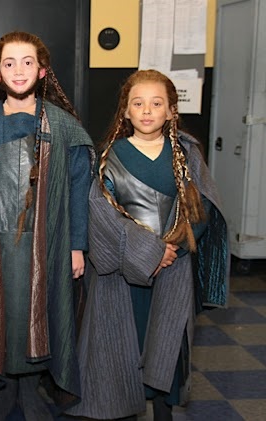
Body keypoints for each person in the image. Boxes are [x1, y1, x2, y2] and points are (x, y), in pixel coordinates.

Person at [0, 31, 94, 420]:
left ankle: (30, 388)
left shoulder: (64, 128)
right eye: (9, 63)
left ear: (42, 71)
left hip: (47, 246)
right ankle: (2, 388)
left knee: (38, 314)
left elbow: (80, 191)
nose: (19, 70)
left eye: (28, 62)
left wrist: (77, 245)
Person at [66, 69, 229, 420]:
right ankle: (121, 406)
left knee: (167, 341)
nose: (147, 111)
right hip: (122, 271)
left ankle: (163, 410)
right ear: (125, 111)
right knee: (123, 342)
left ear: (171, 111)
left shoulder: (186, 155)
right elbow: (102, 215)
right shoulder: (110, 156)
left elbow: (201, 208)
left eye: (157, 104)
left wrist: (173, 250)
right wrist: (149, 253)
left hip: (173, 267)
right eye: (138, 103)